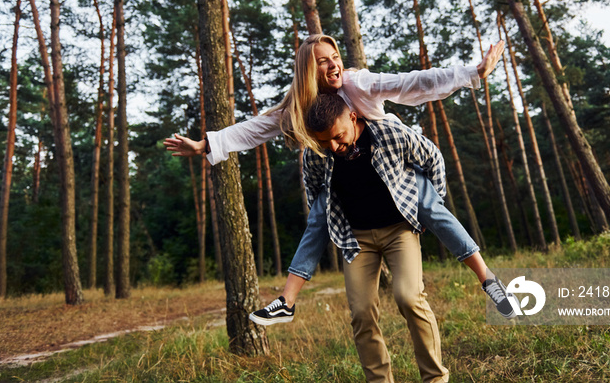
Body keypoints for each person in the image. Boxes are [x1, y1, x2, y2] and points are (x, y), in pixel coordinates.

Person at [164, 34, 513, 323]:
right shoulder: (301, 105)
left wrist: (473, 72)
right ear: (307, 70)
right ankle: (286, 301)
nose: (334, 65)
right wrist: (205, 144)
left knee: (433, 208)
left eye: (335, 57)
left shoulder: (356, 83)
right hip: (349, 184)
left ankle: (488, 280)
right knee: (317, 215)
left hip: (393, 166)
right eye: (323, 61)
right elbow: (257, 127)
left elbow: (410, 82)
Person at [304, 93, 456, 381]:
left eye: (337, 137)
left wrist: (430, 209)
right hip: (356, 238)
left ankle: (435, 378)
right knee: (361, 312)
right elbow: (312, 187)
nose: (333, 147)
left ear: (352, 117)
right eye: (325, 142)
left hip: (399, 230)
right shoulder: (317, 150)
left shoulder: (388, 132)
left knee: (408, 297)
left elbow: (433, 157)